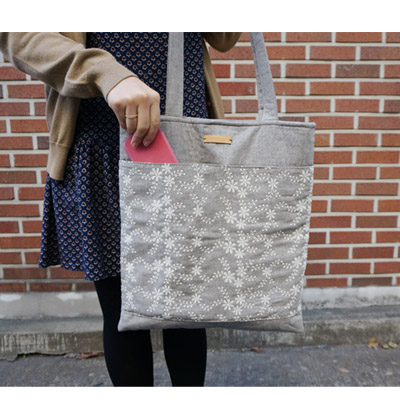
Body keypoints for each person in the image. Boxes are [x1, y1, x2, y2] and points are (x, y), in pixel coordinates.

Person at [0, 32, 241, 386]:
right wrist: (103, 71)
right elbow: (18, 34)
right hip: (102, 141)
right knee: (121, 309)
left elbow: (224, 37)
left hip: (189, 140)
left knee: (187, 307)